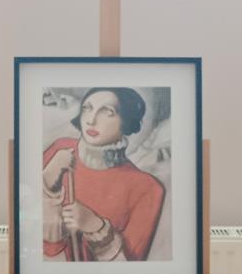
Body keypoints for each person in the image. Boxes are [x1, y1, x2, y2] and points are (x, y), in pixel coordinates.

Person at [42, 87, 165, 262]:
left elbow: (130, 270)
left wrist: (96, 226)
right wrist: (47, 185)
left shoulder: (147, 187)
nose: (91, 120)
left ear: (126, 120)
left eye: (107, 112)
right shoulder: (60, 151)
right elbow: (45, 248)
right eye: (87, 108)